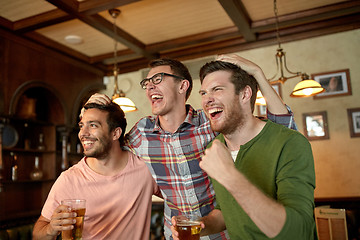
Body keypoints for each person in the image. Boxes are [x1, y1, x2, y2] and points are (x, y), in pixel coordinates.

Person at [87, 54, 297, 239]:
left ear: (183, 86)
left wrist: (258, 74)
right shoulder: (142, 132)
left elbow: (281, 130)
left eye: (157, 79)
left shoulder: (212, 122)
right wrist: (94, 110)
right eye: (147, 83)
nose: (150, 86)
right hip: (178, 235)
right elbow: (105, 147)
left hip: (226, 233)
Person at [171, 60, 317, 239]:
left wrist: (230, 177)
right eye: (203, 92)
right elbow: (228, 210)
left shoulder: (291, 143)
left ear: (245, 94)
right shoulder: (214, 148)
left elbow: (297, 231)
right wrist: (204, 226)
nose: (206, 99)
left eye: (217, 89)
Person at [32, 103, 160, 240]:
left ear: (115, 133)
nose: (83, 133)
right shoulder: (69, 179)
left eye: (93, 125)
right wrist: (51, 228)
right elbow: (37, 234)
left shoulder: (145, 170)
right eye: (82, 126)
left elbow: (179, 196)